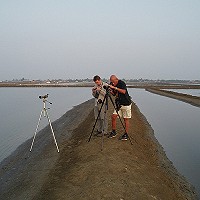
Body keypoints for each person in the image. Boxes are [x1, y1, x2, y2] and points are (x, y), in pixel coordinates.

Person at [108, 75, 132, 140]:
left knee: (125, 119)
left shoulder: (121, 83)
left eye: (113, 82)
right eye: (111, 82)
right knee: (113, 116)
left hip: (126, 104)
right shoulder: (113, 84)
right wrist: (111, 91)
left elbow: (123, 91)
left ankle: (126, 134)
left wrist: (115, 88)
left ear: (116, 79)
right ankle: (114, 131)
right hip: (119, 104)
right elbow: (114, 94)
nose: (112, 83)